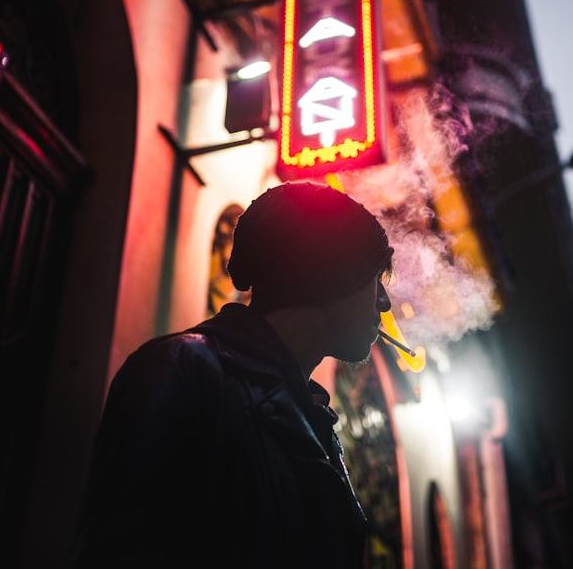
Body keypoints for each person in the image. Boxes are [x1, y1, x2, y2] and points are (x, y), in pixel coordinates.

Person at [73, 181, 394, 568]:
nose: (384, 301)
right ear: (330, 271)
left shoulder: (312, 415)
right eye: (374, 278)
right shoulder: (183, 370)